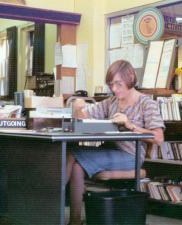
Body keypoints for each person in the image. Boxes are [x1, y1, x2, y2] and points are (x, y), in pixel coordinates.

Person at [66, 60, 165, 225]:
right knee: (76, 166)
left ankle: (48, 199)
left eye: (118, 84)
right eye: (111, 85)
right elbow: (84, 116)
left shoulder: (146, 103)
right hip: (110, 152)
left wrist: (130, 125)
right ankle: (75, 221)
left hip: (131, 156)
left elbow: (158, 138)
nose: (114, 89)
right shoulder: (111, 102)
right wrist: (78, 106)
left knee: (71, 153)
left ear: (130, 78)